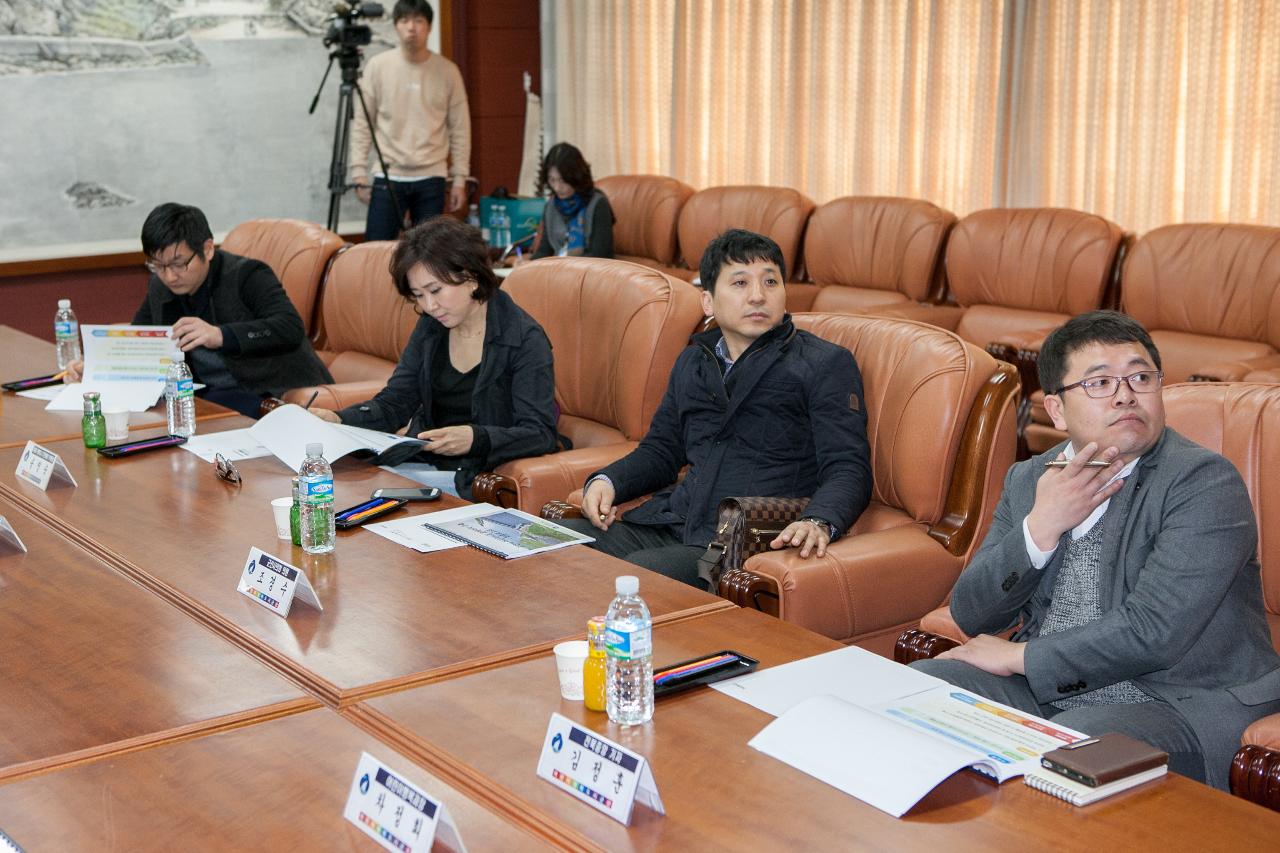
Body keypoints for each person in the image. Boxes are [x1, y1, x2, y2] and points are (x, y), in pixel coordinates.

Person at [912, 310, 1280, 791]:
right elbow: (971, 611)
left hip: (1177, 701)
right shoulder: (1032, 478)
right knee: (922, 689)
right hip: (1056, 689)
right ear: (1058, 410)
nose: (1126, 393)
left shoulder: (1202, 481)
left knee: (1070, 756)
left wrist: (1020, 659)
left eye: (1140, 377)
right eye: (1100, 382)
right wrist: (1039, 528)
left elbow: (1155, 632)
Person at [558, 229, 873, 588]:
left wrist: (818, 520)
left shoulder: (824, 363)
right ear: (707, 302)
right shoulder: (694, 360)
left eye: (770, 281)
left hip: (745, 541)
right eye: (740, 283)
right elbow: (662, 450)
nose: (758, 295)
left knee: (638, 577)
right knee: (557, 544)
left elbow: (848, 466)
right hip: (677, 523)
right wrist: (609, 481)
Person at [310, 217, 557, 498]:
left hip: (476, 479)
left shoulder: (523, 338)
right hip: (421, 468)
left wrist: (475, 439)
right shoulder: (431, 327)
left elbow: (540, 433)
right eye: (418, 296)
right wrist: (338, 418)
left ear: (471, 277)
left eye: (436, 290)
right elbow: (396, 402)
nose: (429, 306)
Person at [64, 203, 332, 418]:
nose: (169, 276)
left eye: (179, 263)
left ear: (207, 249)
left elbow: (290, 327)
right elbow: (141, 340)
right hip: (204, 394)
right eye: (158, 265)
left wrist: (221, 335)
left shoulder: (248, 275)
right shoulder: (161, 286)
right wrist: (98, 368)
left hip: (266, 391)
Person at [350, 0, 471, 240]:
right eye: (404, 21)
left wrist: (459, 178)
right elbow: (363, 122)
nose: (411, 28)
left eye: (418, 21)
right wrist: (358, 171)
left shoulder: (448, 71)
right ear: (396, 26)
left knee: (429, 253)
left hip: (432, 176)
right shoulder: (378, 66)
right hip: (388, 174)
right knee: (374, 251)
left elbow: (460, 128)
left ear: (429, 27)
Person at [529, 142, 614, 260]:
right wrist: (527, 266)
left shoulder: (598, 204)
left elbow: (600, 255)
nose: (557, 187)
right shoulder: (551, 206)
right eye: (552, 180)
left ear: (576, 177)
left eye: (563, 180)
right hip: (558, 270)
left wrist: (563, 268)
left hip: (589, 273)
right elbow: (545, 250)